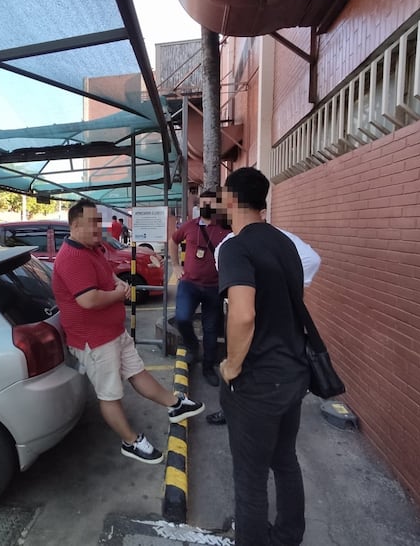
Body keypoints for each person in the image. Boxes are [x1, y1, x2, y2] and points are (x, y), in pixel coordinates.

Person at [52, 200, 205, 464]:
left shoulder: (93, 249)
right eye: (93, 222)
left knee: (137, 372)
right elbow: (88, 300)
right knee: (110, 394)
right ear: (75, 225)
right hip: (94, 340)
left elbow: (110, 278)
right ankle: (131, 442)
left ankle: (174, 405)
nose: (99, 227)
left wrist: (120, 285)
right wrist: (118, 294)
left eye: (99, 221)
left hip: (113, 333)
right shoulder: (72, 258)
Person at [217, 167, 311, 546]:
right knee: (285, 460)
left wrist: (231, 366)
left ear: (230, 199)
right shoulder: (286, 244)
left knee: (250, 478)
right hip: (292, 372)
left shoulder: (236, 247)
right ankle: (288, 536)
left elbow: (243, 313)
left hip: (257, 381)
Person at [206, 215, 321, 426]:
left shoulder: (233, 244)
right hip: (282, 337)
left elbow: (243, 314)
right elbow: (313, 260)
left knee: (240, 366)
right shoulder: (282, 239)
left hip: (253, 318)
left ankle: (236, 410)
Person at [169, 190, 229, 387]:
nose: (207, 207)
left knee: (211, 329)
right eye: (204, 203)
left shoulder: (225, 229)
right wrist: (176, 265)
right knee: (183, 318)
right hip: (189, 284)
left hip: (214, 287)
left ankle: (208, 367)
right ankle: (193, 346)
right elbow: (173, 240)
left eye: (211, 203)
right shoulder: (190, 226)